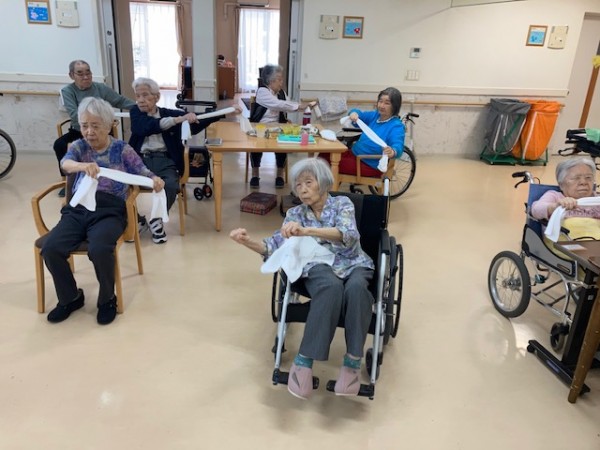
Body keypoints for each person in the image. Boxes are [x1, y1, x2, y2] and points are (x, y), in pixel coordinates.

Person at [230, 157, 375, 399]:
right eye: (298, 185)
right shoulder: (295, 213)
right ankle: (303, 363)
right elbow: (274, 245)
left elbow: (348, 235)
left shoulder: (343, 204)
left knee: (358, 289)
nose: (303, 189)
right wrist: (247, 242)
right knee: (330, 287)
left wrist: (307, 231)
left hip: (353, 263)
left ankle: (351, 365)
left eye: (309, 182)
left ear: (324, 182)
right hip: (318, 266)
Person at [42, 97, 164, 325]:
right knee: (51, 248)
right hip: (78, 209)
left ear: (109, 126)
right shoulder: (79, 147)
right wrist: (82, 166)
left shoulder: (121, 149)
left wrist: (155, 179)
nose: (89, 131)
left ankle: (107, 299)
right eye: (84, 125)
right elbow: (65, 164)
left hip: (110, 210)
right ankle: (70, 298)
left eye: (95, 126)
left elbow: (142, 171)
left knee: (99, 249)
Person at [128, 77, 236, 243]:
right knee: (120, 184)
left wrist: (224, 112)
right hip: (139, 161)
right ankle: (137, 220)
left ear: (157, 97)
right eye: (137, 96)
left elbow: (198, 120)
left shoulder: (167, 113)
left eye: (145, 95)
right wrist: (178, 120)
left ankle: (156, 220)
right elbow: (145, 127)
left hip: (165, 160)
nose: (140, 100)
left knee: (171, 184)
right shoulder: (136, 113)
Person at [53, 60, 136, 197]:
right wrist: (88, 123)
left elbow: (120, 101)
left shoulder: (100, 88)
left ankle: (109, 178)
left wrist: (139, 107)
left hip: (101, 130)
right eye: (80, 74)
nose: (85, 77)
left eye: (88, 72)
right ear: (72, 75)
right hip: (79, 130)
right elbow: (74, 115)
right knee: (60, 144)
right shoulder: (68, 91)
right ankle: (69, 180)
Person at [249, 64, 312, 189]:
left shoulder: (281, 93)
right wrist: (299, 106)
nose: (281, 82)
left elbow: (287, 105)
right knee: (257, 144)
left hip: (277, 127)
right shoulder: (262, 91)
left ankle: (280, 175)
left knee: (283, 144)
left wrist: (299, 108)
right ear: (271, 81)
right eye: (279, 79)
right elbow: (278, 104)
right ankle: (255, 175)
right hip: (261, 126)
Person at [324, 87, 405, 177]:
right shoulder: (375, 115)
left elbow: (398, 145)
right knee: (324, 153)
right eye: (380, 101)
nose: (382, 106)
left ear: (395, 106)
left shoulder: (396, 126)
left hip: (368, 164)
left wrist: (392, 151)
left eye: (387, 103)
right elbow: (358, 113)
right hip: (354, 154)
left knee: (325, 161)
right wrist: (354, 113)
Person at [531, 157, 600, 242]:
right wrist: (555, 207)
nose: (583, 182)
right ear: (561, 184)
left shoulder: (597, 200)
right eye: (576, 178)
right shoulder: (555, 196)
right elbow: (535, 209)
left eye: (588, 177)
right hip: (564, 246)